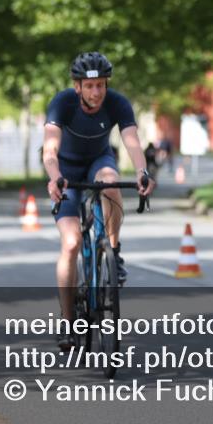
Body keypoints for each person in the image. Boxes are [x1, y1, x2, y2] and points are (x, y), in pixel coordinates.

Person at [42, 52, 155, 350]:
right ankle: (68, 322)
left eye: (101, 85)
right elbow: (50, 149)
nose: (96, 92)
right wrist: (54, 177)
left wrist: (143, 172)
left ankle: (113, 253)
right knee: (70, 243)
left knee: (110, 181)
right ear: (77, 86)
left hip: (98, 161)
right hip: (66, 170)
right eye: (90, 86)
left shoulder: (117, 103)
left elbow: (131, 140)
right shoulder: (62, 103)